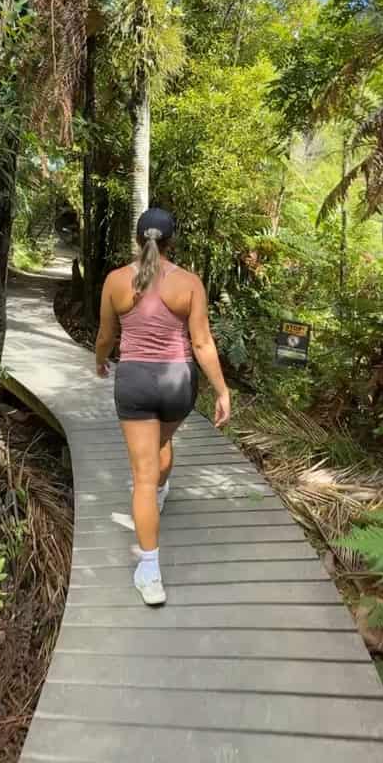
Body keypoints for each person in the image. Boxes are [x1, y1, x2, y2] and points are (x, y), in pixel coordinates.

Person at [95, 208, 231, 606]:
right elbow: (202, 344)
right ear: (172, 242)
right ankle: (162, 487)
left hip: (134, 382)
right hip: (177, 384)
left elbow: (106, 334)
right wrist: (222, 391)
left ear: (138, 240)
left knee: (142, 477)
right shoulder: (188, 282)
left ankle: (150, 572)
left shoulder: (117, 280)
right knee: (158, 447)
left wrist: (100, 359)